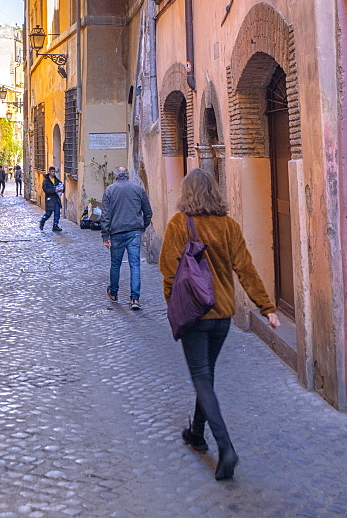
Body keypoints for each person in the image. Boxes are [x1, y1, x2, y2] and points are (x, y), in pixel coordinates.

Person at [159, 168, 280, 481]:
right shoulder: (229, 226)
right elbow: (246, 269)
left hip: (194, 315)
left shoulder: (178, 224)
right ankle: (197, 433)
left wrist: (175, 307)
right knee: (207, 376)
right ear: (214, 192)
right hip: (222, 315)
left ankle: (226, 447)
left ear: (186, 193)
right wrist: (266, 307)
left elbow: (168, 272)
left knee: (201, 377)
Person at [101, 167, 152, 310]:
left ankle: (114, 292)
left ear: (116, 176)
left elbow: (105, 215)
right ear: (127, 176)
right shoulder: (138, 189)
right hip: (134, 231)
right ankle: (134, 299)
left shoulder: (110, 190)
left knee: (115, 264)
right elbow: (148, 211)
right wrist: (143, 226)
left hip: (116, 232)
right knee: (135, 264)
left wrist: (105, 235)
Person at [39, 166, 63, 232]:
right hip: (50, 199)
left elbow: (60, 185)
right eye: (52, 171)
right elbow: (46, 190)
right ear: (49, 172)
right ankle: (42, 221)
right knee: (48, 214)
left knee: (57, 213)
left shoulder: (56, 180)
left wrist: (61, 188)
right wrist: (54, 190)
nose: (53, 173)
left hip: (56, 199)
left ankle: (55, 225)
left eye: (54, 171)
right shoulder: (46, 181)